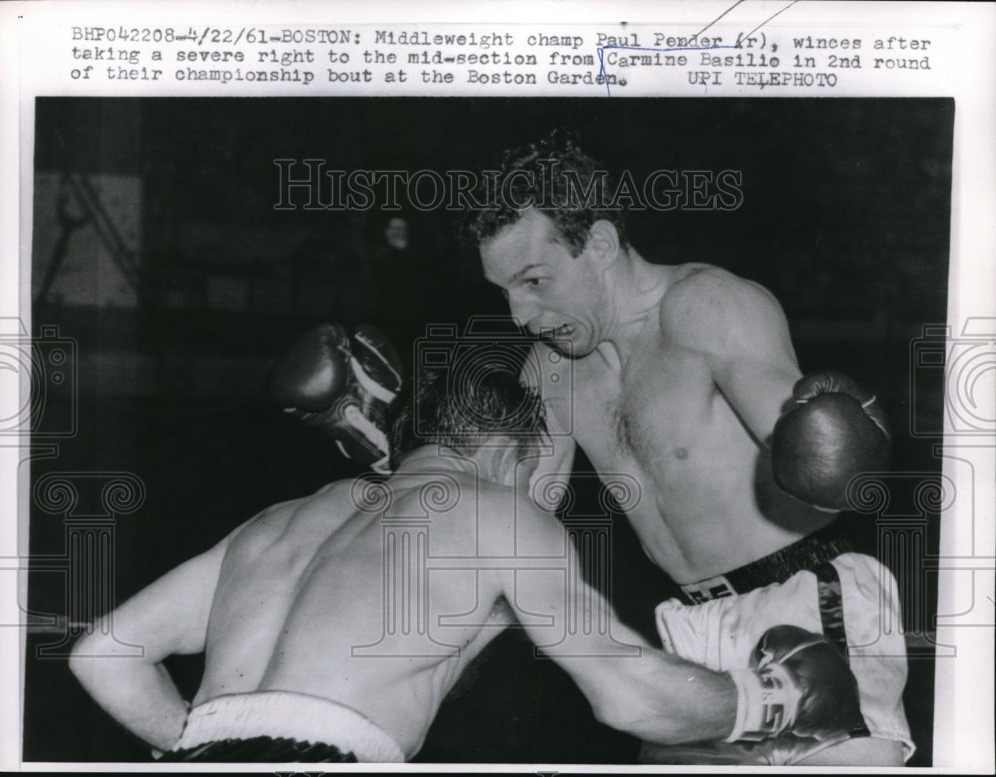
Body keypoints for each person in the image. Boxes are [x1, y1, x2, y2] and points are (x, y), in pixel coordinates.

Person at [69, 366, 865, 763]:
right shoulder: (499, 512)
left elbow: (104, 653)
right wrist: (770, 697)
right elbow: (627, 694)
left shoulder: (280, 520)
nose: (554, 493)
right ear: (515, 455)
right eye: (553, 472)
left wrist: (204, 746)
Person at [466, 130, 913, 766]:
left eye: (534, 280)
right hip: (687, 627)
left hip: (803, 603)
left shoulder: (706, 307)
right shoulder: (550, 369)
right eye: (504, 290)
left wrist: (841, 444)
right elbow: (519, 513)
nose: (518, 312)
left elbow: (823, 459)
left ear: (598, 244)